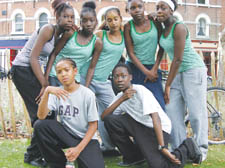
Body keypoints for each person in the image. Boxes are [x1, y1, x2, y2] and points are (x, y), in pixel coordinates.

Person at [9, 0, 74, 166]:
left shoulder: (60, 34)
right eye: (65, 16)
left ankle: (34, 154)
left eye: (72, 17)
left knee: (47, 113)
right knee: (40, 114)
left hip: (33, 71)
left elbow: (51, 56)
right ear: (57, 17)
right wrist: (45, 85)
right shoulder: (48, 29)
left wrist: (67, 36)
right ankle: (32, 156)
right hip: (22, 70)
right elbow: (33, 58)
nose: (69, 20)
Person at [101, 63, 202, 168]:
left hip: (158, 129)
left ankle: (188, 146)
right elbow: (104, 117)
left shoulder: (140, 91)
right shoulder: (120, 97)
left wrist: (162, 147)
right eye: (116, 77)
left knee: (158, 165)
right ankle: (133, 157)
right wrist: (122, 99)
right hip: (140, 127)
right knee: (110, 120)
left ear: (130, 77)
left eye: (123, 76)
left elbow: (156, 117)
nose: (119, 79)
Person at [156, 0, 208, 161]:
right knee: (172, 111)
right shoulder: (163, 29)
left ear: (171, 11)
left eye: (163, 8)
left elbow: (178, 59)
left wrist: (168, 85)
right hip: (177, 73)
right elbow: (162, 51)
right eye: (157, 8)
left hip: (192, 70)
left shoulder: (179, 27)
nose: (159, 11)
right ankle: (179, 148)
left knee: (196, 113)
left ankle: (200, 150)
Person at [34, 58, 105, 168]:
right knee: (40, 125)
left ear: (75, 71)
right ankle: (57, 163)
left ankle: (76, 157)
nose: (63, 74)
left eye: (67, 70)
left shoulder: (87, 94)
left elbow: (93, 125)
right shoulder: (56, 92)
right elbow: (41, 116)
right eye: (59, 72)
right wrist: (47, 91)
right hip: (67, 135)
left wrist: (78, 149)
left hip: (86, 139)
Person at [80, 7, 125, 154]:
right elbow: (85, 49)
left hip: (103, 82)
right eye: (109, 19)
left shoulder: (125, 37)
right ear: (105, 21)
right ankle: (90, 147)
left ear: (121, 19)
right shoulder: (100, 35)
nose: (113, 22)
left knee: (114, 112)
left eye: (115, 19)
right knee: (87, 114)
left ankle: (109, 146)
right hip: (86, 78)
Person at [45, 0, 102, 86]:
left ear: (96, 22)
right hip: (55, 76)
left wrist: (86, 88)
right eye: (85, 21)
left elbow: (91, 67)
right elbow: (53, 54)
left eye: (91, 20)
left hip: (74, 80)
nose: (88, 24)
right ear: (80, 22)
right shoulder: (70, 33)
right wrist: (45, 79)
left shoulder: (97, 43)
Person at [124, 0, 165, 110]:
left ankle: (161, 128)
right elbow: (130, 53)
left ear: (144, 7)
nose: (137, 10)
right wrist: (146, 72)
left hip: (152, 68)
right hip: (133, 68)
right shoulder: (128, 26)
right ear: (128, 10)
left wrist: (154, 69)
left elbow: (162, 46)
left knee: (159, 104)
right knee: (136, 106)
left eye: (139, 6)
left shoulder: (155, 22)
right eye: (133, 8)